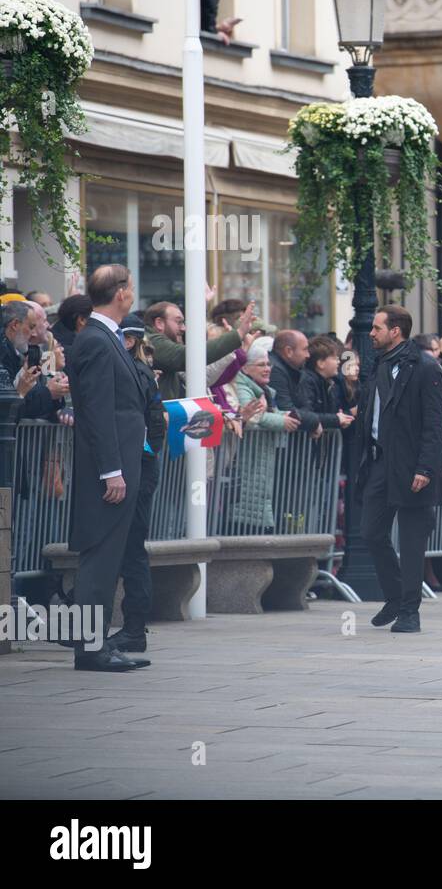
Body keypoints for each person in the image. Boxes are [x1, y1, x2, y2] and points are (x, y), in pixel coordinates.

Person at [65, 265, 151, 672]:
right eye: (130, 288)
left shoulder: (104, 337)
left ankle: (95, 644)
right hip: (109, 470)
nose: (132, 294)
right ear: (119, 293)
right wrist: (111, 471)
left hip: (119, 464)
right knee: (100, 559)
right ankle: (91, 648)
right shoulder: (98, 340)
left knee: (108, 558)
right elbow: (99, 411)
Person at [356, 306, 442, 633]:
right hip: (381, 462)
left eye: (377, 327)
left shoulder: (425, 367)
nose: (371, 332)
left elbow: (435, 425)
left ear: (395, 331)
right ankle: (395, 596)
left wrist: (425, 467)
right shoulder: (378, 364)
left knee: (411, 542)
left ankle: (410, 610)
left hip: (412, 467)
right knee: (371, 532)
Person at [108, 314, 166, 654]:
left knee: (131, 551)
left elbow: (152, 427)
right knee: (130, 550)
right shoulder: (142, 372)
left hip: (138, 472)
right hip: (141, 469)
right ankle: (131, 628)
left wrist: (139, 462)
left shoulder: (136, 374)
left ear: (128, 341)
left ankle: (133, 629)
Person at [230, 338, 298, 532]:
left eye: (269, 364)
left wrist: (282, 416)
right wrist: (282, 421)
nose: (267, 368)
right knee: (246, 520)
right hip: (246, 459)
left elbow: (265, 413)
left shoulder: (264, 390)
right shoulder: (242, 386)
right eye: (261, 365)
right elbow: (254, 417)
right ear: (245, 368)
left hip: (259, 459)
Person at [144, 299, 252, 401]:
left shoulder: (161, 346)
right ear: (159, 323)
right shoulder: (152, 342)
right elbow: (187, 356)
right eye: (179, 322)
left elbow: (203, 377)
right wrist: (239, 334)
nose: (183, 328)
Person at [2, 300, 66, 421]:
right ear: (15, 324)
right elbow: (16, 402)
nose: (48, 325)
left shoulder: (39, 348)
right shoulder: (13, 351)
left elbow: (42, 387)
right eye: (44, 321)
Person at [268, 329, 325, 433]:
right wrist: (313, 421)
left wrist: (311, 420)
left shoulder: (296, 370)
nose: (308, 355)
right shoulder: (275, 370)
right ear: (288, 351)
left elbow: (305, 405)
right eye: (305, 349)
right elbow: (286, 409)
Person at [303, 335, 356, 431]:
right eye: (334, 358)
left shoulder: (328, 382)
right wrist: (337, 419)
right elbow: (307, 414)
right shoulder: (308, 381)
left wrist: (341, 418)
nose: (338, 361)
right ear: (321, 363)